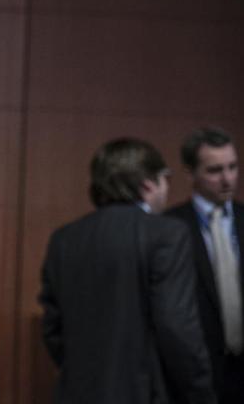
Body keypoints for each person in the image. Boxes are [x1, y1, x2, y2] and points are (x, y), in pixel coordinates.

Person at [39, 138, 215, 404]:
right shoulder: (167, 234)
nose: (167, 188)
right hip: (147, 393)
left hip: (77, 392)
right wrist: (201, 393)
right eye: (165, 178)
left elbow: (53, 328)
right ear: (148, 184)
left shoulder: (64, 239)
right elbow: (177, 327)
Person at [165, 127, 243, 403]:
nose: (227, 179)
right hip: (196, 374)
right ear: (190, 173)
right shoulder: (169, 227)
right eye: (215, 170)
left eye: (233, 167)